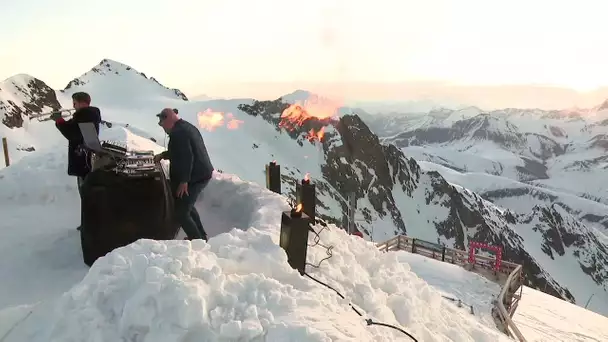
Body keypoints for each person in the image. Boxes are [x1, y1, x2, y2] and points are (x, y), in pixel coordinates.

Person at [154, 108, 214, 241]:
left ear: (168, 119)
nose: (161, 126)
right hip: (200, 173)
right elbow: (179, 151)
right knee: (187, 206)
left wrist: (184, 181)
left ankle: (197, 240)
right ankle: (201, 237)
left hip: (197, 177)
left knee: (181, 212)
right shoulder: (185, 127)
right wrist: (164, 155)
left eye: (161, 123)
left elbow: (187, 157)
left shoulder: (179, 134)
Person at [51, 92, 102, 230]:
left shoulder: (84, 115)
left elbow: (72, 134)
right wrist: (60, 121)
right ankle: (89, 222)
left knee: (86, 193)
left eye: (74, 102)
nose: (73, 106)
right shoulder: (87, 116)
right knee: (86, 194)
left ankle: (90, 224)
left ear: (81, 102)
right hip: (85, 159)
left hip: (83, 160)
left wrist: (59, 121)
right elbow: (75, 130)